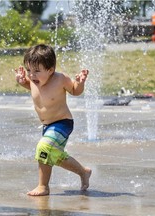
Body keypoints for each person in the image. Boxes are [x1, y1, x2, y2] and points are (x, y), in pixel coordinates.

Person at [15, 44, 92, 196]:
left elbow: (75, 91)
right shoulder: (33, 80)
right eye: (29, 70)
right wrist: (21, 81)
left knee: (44, 148)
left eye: (37, 71)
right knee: (52, 155)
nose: (32, 75)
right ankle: (83, 172)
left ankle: (43, 186)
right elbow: (29, 85)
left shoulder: (60, 79)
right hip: (47, 125)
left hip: (62, 123)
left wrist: (80, 83)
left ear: (50, 70)